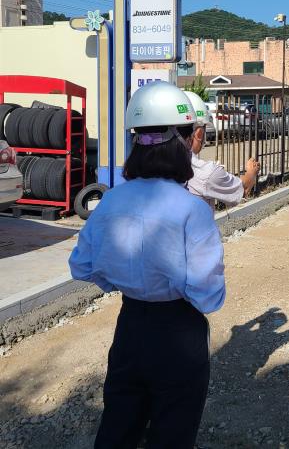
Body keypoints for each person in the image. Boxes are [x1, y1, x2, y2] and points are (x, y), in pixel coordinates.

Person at [69, 82, 225, 449]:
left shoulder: (110, 201)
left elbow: (82, 266)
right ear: (184, 141)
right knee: (173, 432)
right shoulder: (192, 210)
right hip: (178, 332)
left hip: (131, 326)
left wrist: (122, 278)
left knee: (119, 425)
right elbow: (209, 295)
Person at [184, 92, 260, 210]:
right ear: (199, 133)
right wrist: (251, 171)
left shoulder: (153, 167)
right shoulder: (204, 172)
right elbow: (243, 188)